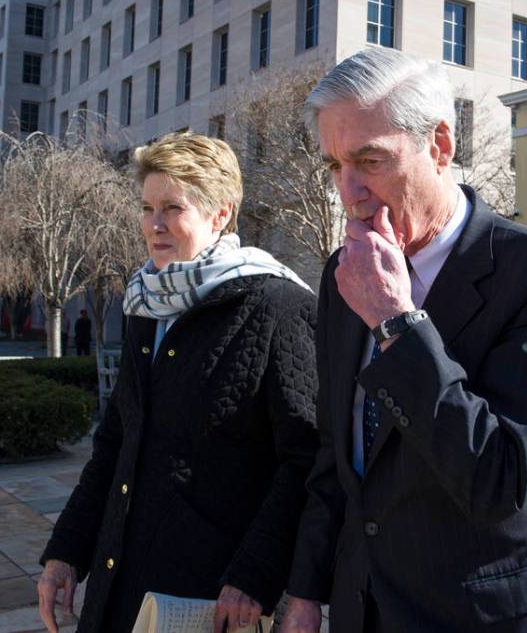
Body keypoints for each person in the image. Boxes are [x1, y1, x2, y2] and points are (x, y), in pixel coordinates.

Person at [280, 47, 527, 633]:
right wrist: (304, 592)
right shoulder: (342, 272)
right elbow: (336, 452)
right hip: (361, 605)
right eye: (333, 166)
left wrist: (396, 323)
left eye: (370, 160)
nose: (349, 193)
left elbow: (498, 480)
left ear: (441, 145)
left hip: (476, 615)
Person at [37, 133, 320, 633]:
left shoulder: (278, 307)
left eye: (172, 207)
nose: (155, 224)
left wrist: (256, 574)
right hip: (118, 585)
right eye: (147, 208)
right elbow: (114, 442)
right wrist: (66, 550)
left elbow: (306, 459)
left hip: (208, 596)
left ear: (221, 213)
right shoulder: (145, 305)